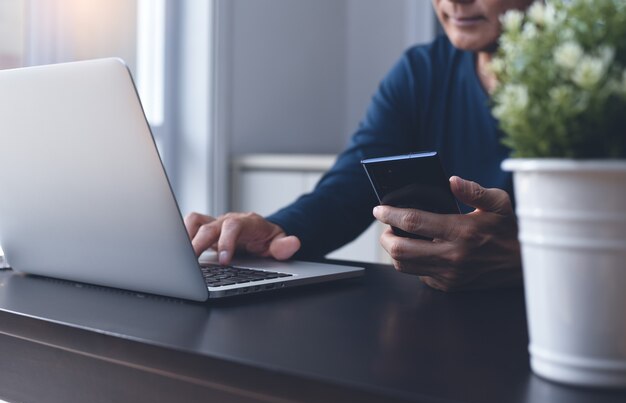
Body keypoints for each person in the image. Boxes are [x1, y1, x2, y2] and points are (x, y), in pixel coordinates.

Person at [185, 0, 534, 291]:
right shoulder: (421, 71)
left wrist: (524, 255)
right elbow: (349, 187)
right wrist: (276, 229)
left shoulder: (586, 83)